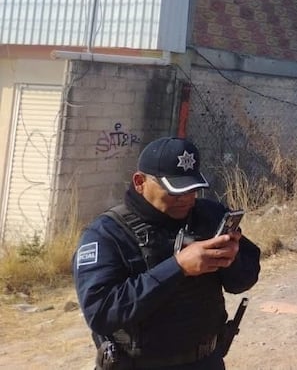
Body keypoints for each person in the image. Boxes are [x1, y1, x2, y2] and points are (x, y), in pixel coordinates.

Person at [73, 137, 261, 370]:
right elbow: (101, 312)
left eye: (192, 189)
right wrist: (178, 267)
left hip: (205, 361)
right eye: (175, 191)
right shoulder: (107, 234)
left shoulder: (210, 217)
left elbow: (243, 281)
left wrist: (231, 259)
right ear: (140, 182)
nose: (186, 199)